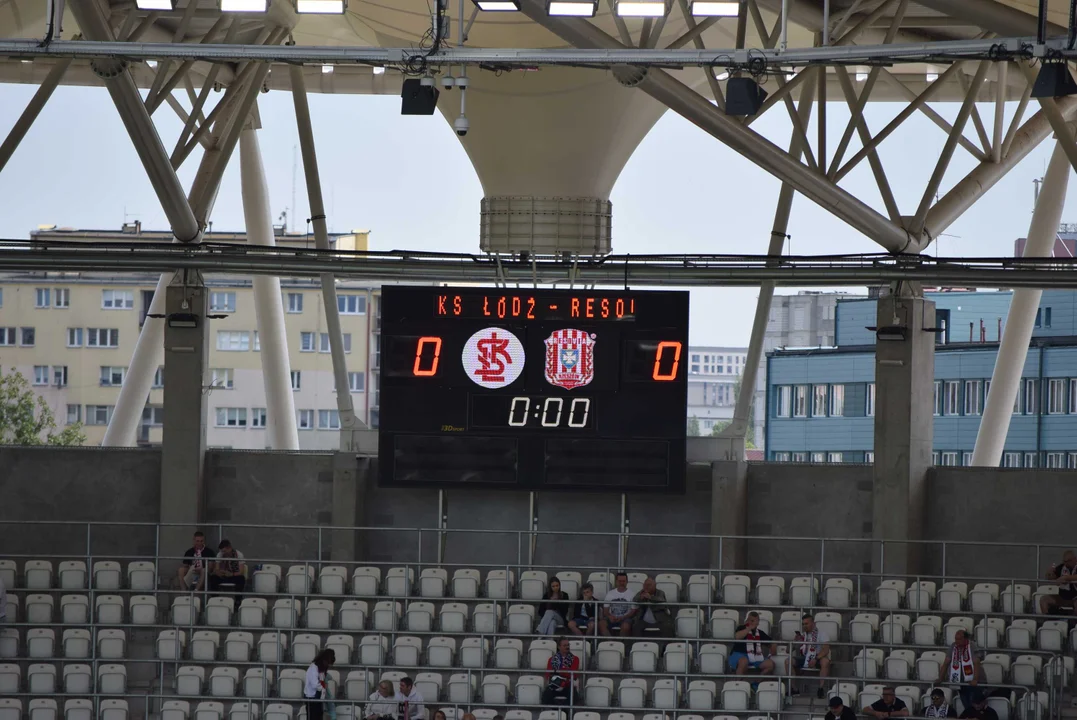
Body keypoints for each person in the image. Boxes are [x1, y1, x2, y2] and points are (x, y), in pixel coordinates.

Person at [793, 613, 831, 699]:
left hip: (818, 657)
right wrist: (794, 641)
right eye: (803, 624)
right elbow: (789, 650)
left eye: (806, 623)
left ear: (813, 623)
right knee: (788, 661)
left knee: (825, 661)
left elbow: (826, 649)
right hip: (804, 657)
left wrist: (815, 658)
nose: (804, 626)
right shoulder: (803, 636)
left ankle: (821, 688)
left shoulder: (822, 634)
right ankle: (794, 689)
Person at [729, 611, 776, 675]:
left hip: (755, 656)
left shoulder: (760, 633)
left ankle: (756, 682)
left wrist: (773, 649)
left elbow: (772, 642)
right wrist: (749, 628)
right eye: (750, 620)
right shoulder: (741, 628)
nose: (751, 622)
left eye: (753, 621)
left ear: (757, 622)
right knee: (743, 661)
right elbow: (737, 637)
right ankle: (739, 683)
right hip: (739, 654)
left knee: (770, 664)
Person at [542, 637, 581, 705]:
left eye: (568, 645)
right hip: (555, 684)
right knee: (546, 695)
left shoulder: (575, 659)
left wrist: (558, 672)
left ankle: (565, 713)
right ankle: (555, 711)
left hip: (567, 685)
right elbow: (548, 674)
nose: (567, 647)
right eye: (564, 645)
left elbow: (574, 675)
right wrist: (565, 671)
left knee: (574, 696)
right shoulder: (552, 659)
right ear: (559, 647)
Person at [1039, 550, 1077, 615]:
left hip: (1075, 597)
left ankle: (1074, 623)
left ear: (1075, 559)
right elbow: (1052, 578)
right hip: (1062, 597)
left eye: (1069, 561)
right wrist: (1049, 574)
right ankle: (1047, 621)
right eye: (1064, 561)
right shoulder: (1062, 567)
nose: (1066, 564)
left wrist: (1066, 578)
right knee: (1044, 599)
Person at [600, 572, 637, 636]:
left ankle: (621, 644)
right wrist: (609, 616)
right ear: (616, 582)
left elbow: (633, 611)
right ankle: (611, 643)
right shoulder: (610, 593)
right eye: (620, 581)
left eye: (623, 581)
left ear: (627, 582)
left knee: (625, 627)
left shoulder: (632, 594)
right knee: (601, 624)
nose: (622, 583)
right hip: (611, 618)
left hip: (626, 618)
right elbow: (605, 610)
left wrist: (623, 617)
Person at [304, 649, 336, 720]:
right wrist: (323, 686)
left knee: (319, 716)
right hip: (311, 697)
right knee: (312, 717)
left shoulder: (321, 669)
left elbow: (322, 681)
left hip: (318, 697)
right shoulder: (313, 668)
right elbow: (315, 684)